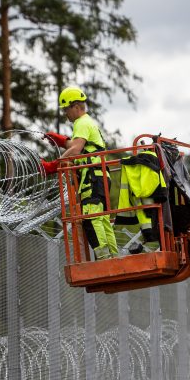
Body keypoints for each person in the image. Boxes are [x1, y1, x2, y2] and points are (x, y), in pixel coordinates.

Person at [41, 86, 118, 260]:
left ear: (75, 106)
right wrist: (61, 140)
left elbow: (75, 150)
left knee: (91, 219)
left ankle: (105, 260)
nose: (65, 114)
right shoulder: (88, 122)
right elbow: (78, 145)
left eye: (66, 109)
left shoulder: (81, 122)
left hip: (92, 178)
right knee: (102, 219)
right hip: (100, 176)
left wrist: (53, 166)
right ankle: (113, 257)